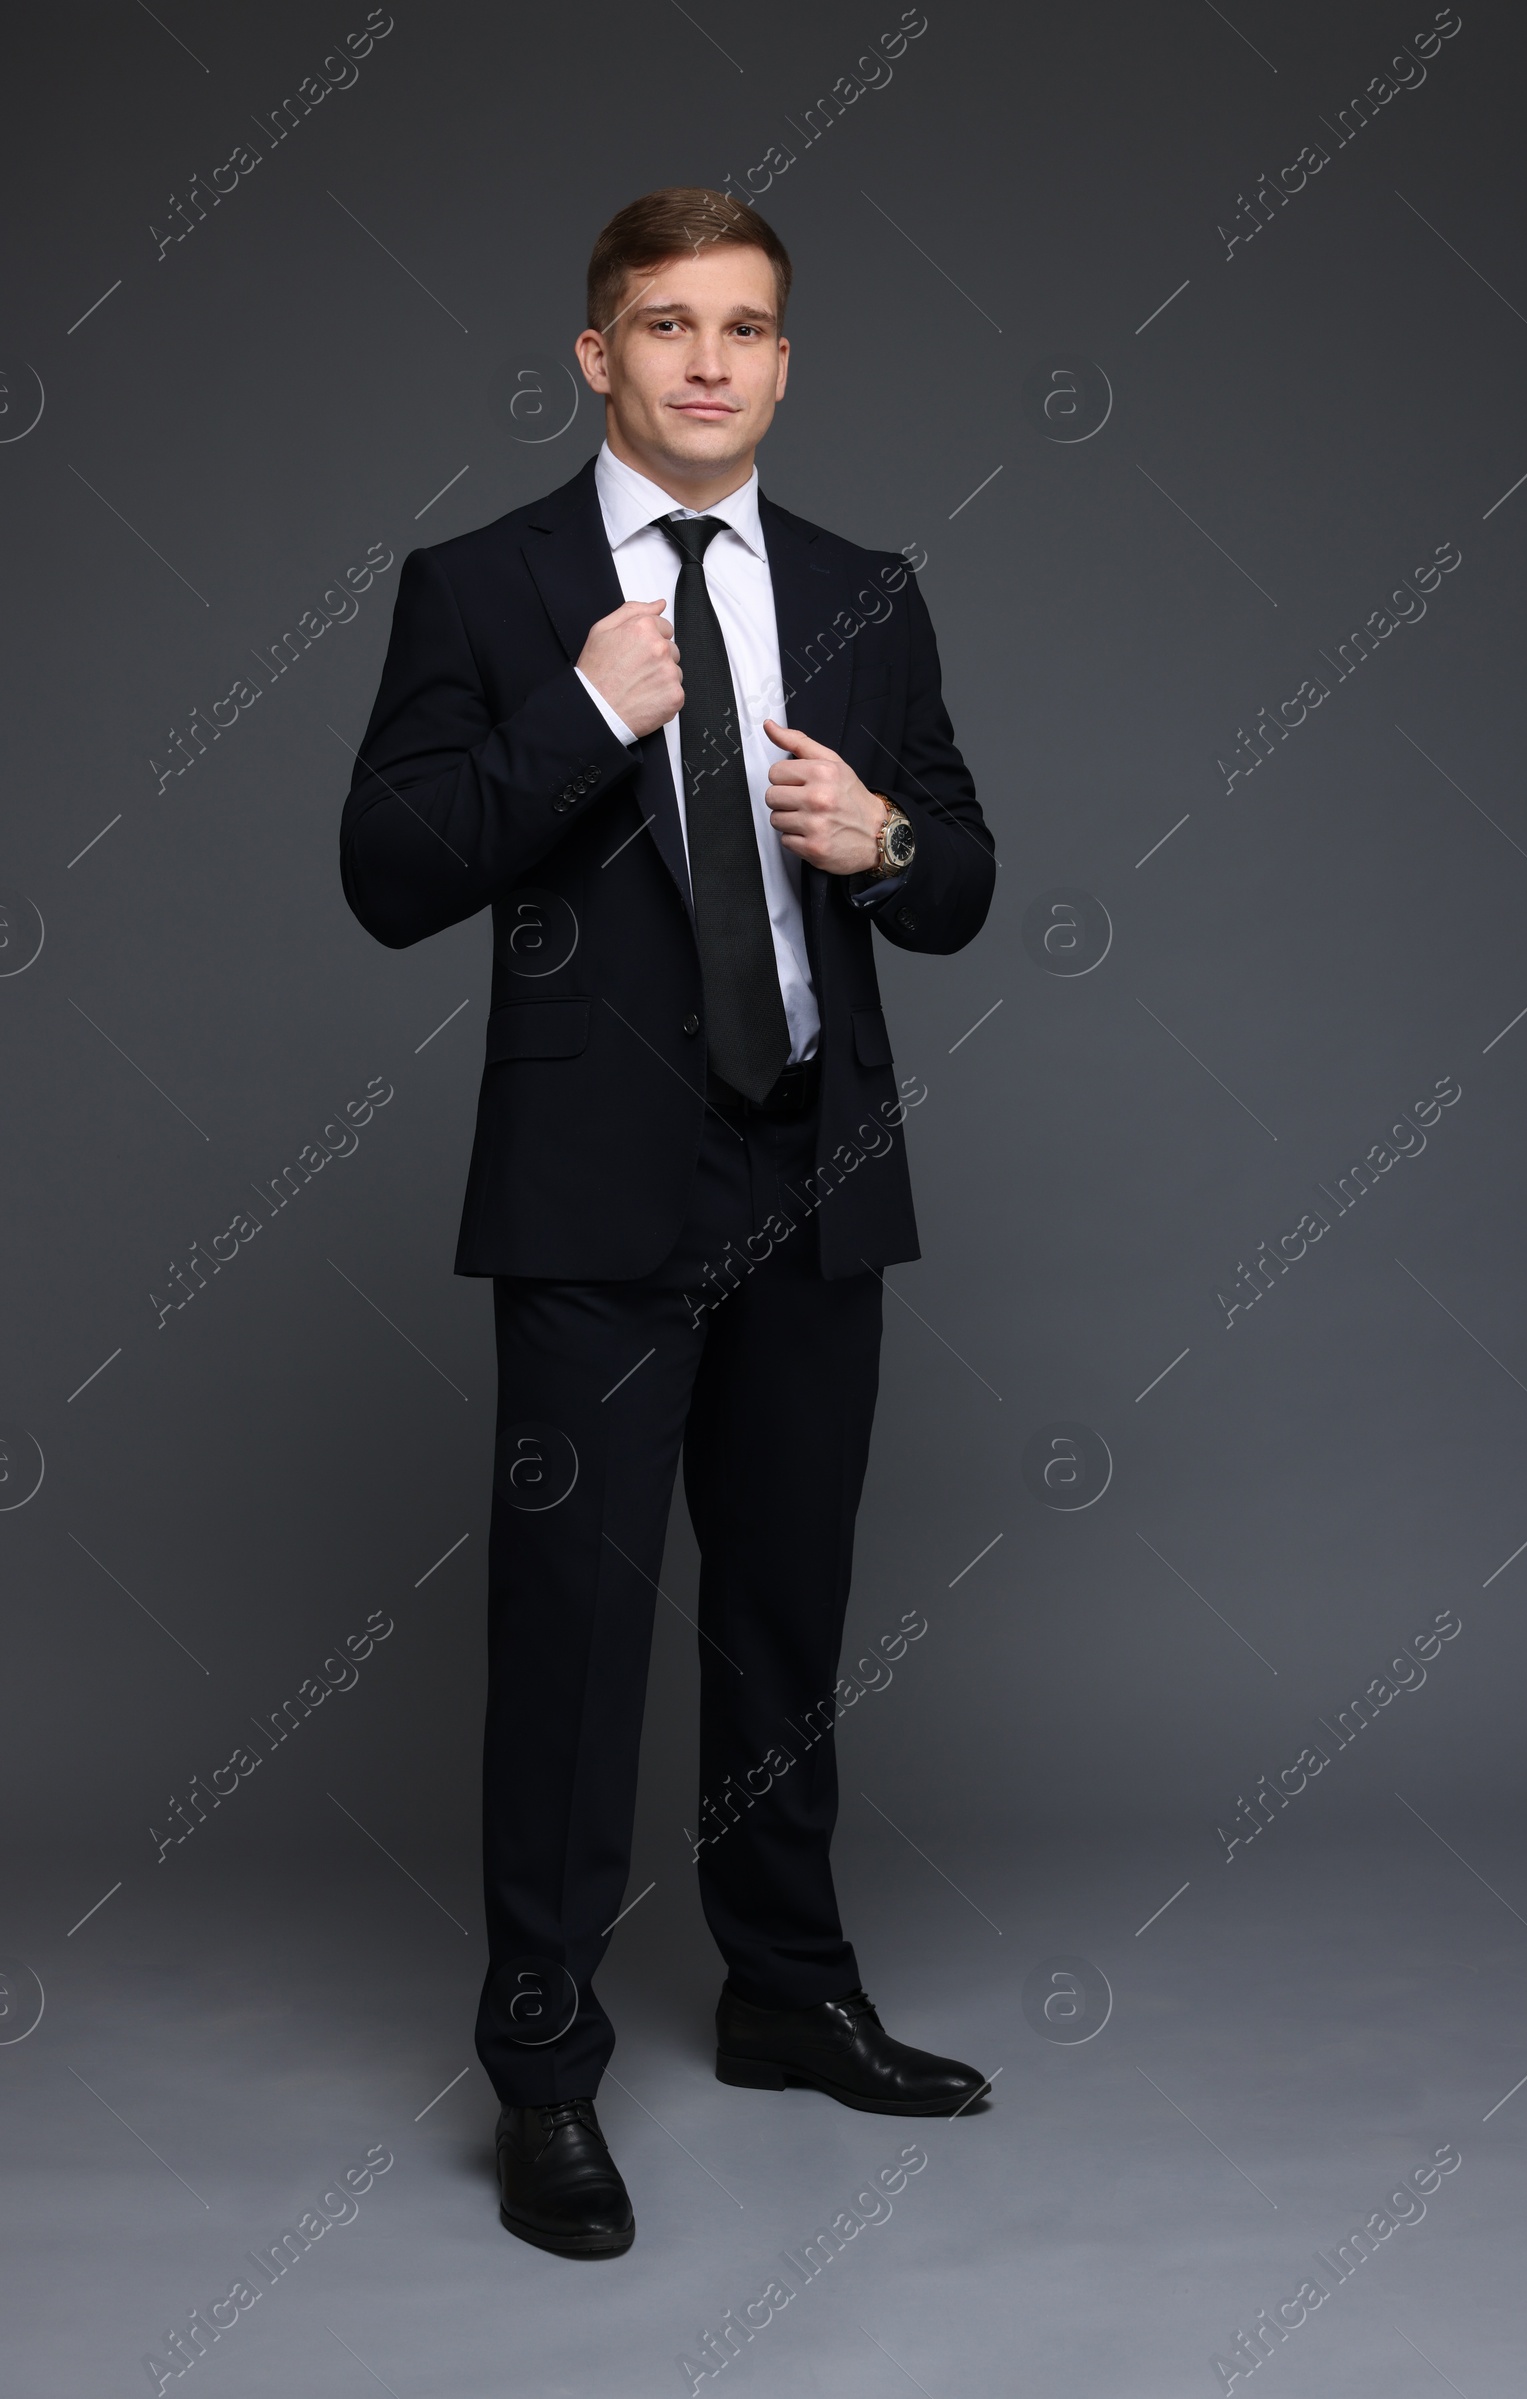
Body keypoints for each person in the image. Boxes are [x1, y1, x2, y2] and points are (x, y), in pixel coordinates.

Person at [340, 187, 995, 2259]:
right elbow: (384, 870)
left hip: (809, 1164)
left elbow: (963, 873)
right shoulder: (485, 587)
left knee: (781, 1616)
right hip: (595, 1189)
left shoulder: (867, 590)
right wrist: (582, 715)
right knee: (572, 1634)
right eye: (663, 325)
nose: (705, 360)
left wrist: (883, 839)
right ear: (594, 359)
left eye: (743, 327)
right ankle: (542, 2076)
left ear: (783, 362)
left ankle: (785, 1992)